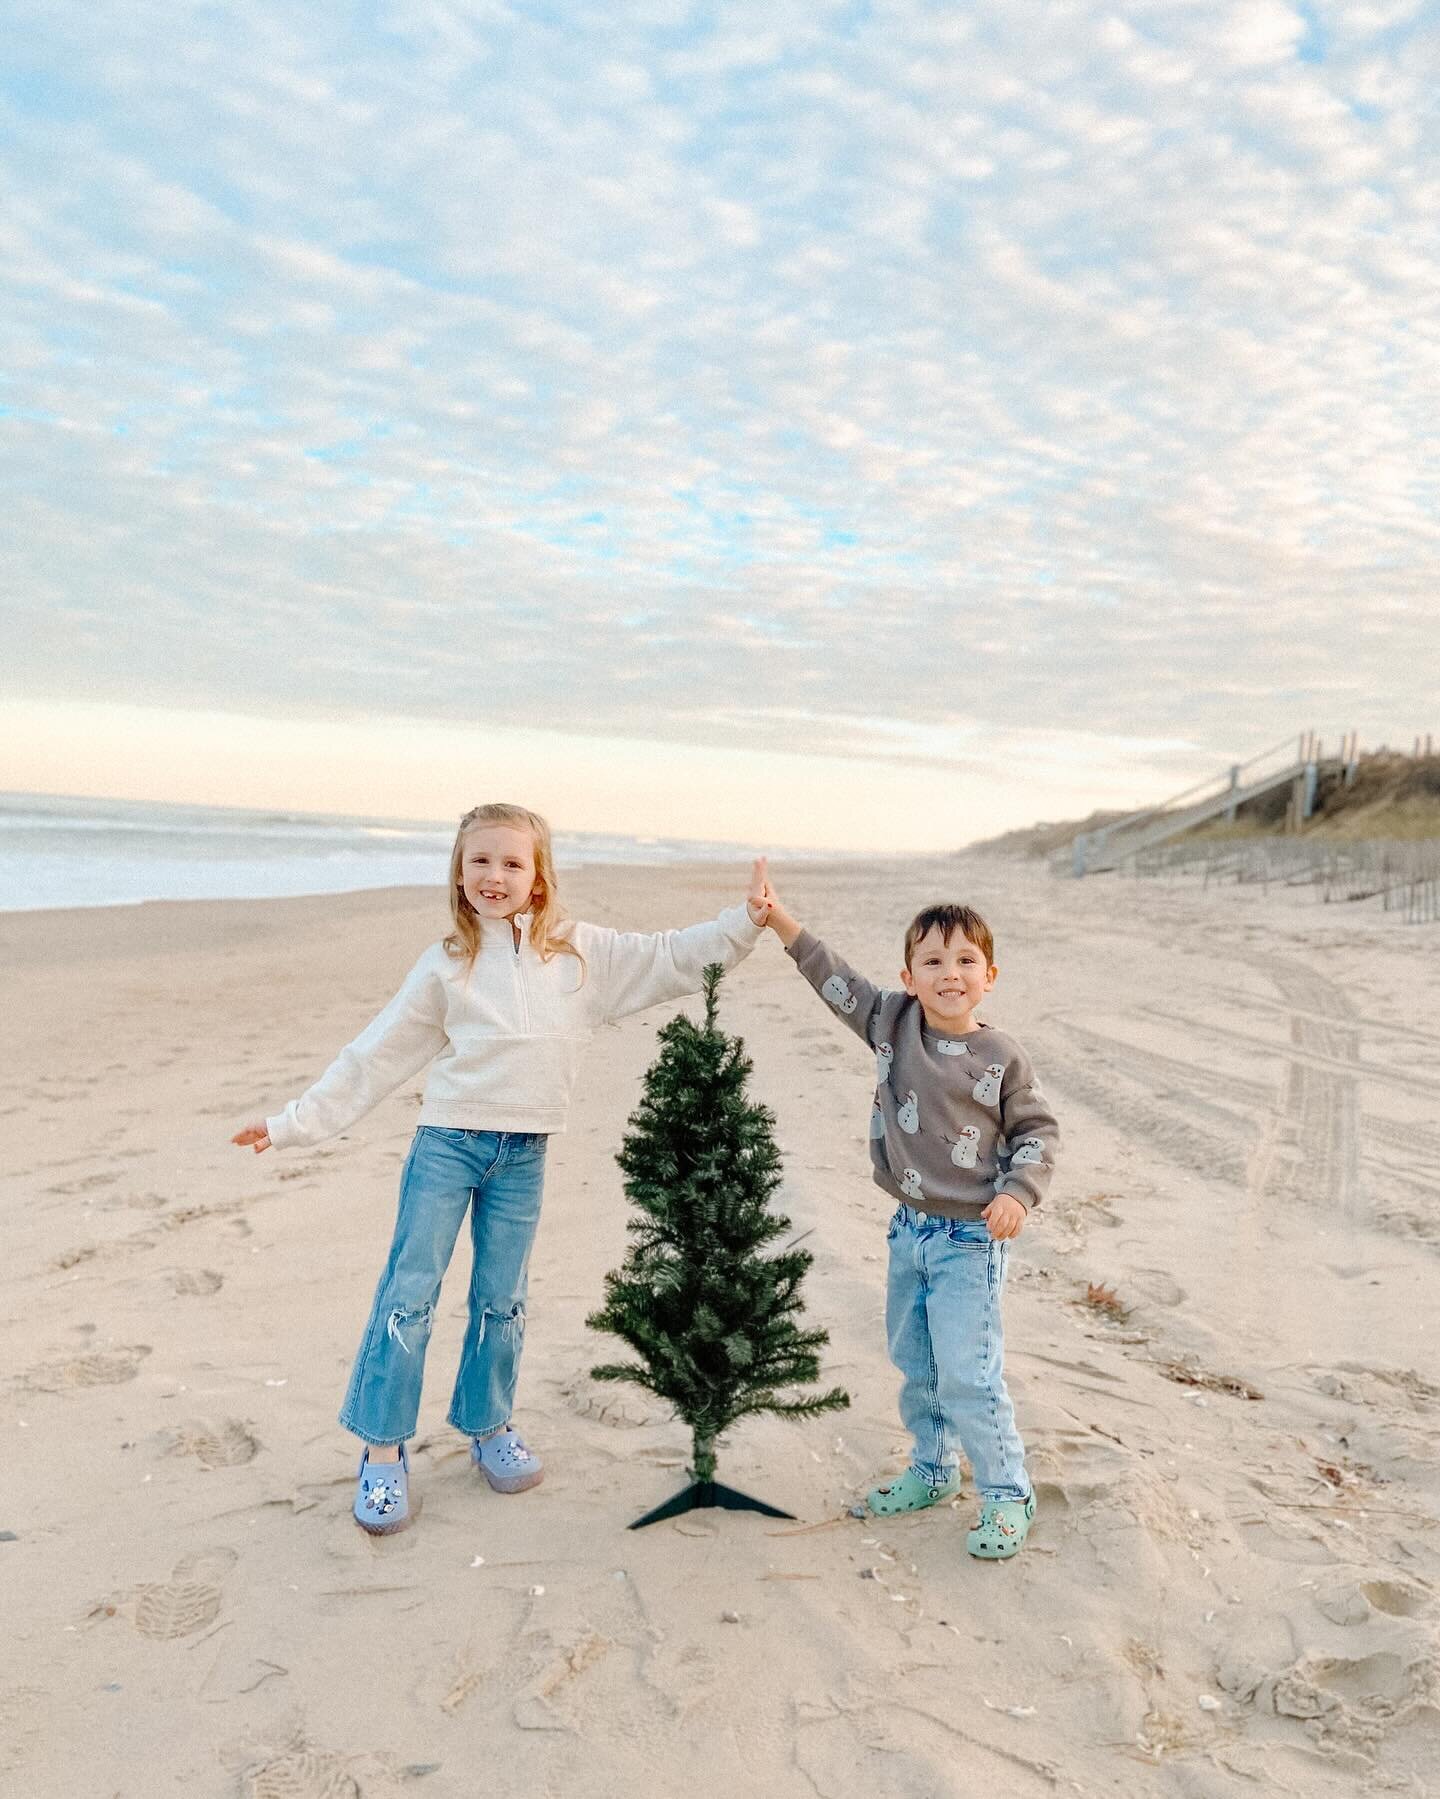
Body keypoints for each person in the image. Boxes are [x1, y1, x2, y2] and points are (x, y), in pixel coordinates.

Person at [233, 803, 769, 1534]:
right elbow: (376, 1055)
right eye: (479, 860)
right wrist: (295, 1122)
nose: (495, 875)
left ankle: (488, 1425)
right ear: (458, 871)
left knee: (502, 1296)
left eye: (512, 863)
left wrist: (743, 922)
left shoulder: (581, 956)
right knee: (410, 1294)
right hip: (447, 1146)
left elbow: (670, 955)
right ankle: (383, 1451)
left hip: (525, 1153)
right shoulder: (446, 964)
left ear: (539, 878)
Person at [752, 881, 1058, 1559]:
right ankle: (934, 1466)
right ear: (908, 976)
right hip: (909, 1230)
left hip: (972, 1238)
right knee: (915, 1360)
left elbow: (1038, 1132)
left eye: (965, 961)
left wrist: (1018, 1191)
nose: (950, 973)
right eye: (933, 962)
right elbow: (834, 979)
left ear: (989, 975)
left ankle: (1008, 1492)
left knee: (968, 1371)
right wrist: (777, 920)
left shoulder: (1001, 1056)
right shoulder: (892, 1023)